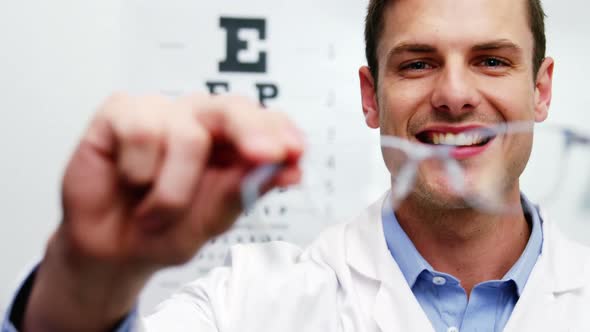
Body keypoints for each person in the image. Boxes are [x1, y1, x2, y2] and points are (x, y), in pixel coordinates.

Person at [4, 0, 590, 331]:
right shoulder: (250, 304)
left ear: (541, 92)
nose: (455, 94)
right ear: (370, 97)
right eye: (417, 64)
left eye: (491, 60)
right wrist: (87, 278)